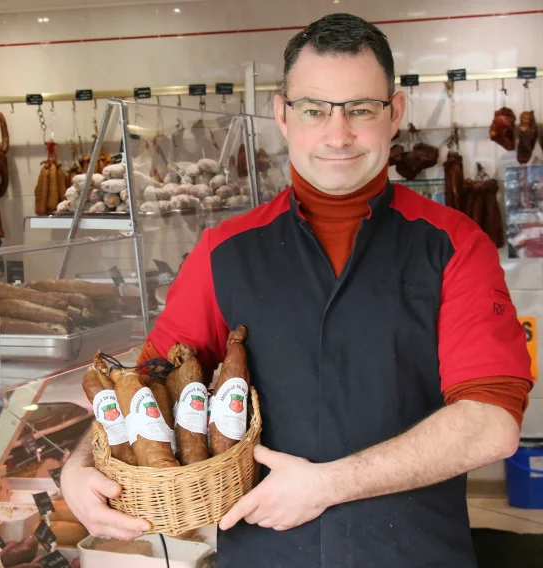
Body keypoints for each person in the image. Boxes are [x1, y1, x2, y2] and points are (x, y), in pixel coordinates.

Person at [61, 13, 533, 567]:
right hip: (266, 554)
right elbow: (145, 387)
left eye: (361, 108)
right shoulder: (224, 251)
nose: (338, 134)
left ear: (394, 114)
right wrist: (81, 465)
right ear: (283, 115)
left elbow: (491, 422)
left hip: (415, 552)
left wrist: (329, 484)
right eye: (314, 110)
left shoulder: (454, 245)